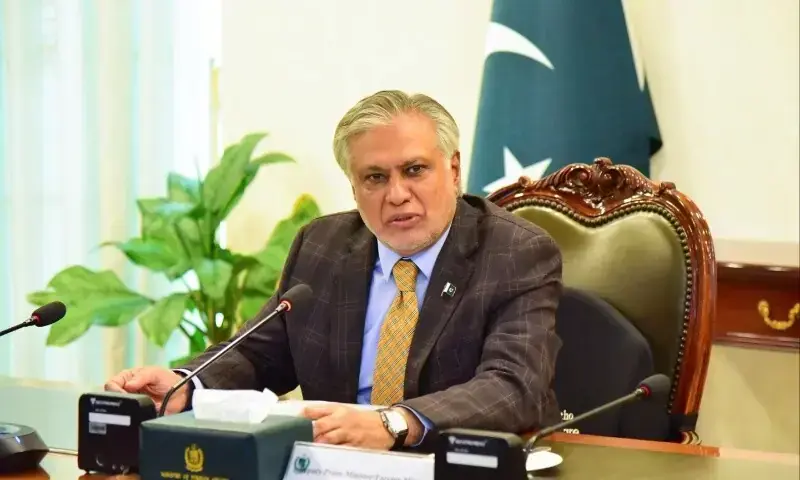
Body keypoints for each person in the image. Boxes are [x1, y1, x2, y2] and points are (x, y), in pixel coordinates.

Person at [106, 90, 563, 451]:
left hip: (455, 465)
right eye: (375, 177)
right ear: (353, 186)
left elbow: (512, 386)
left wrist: (393, 423)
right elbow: (260, 355)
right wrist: (186, 385)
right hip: (335, 465)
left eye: (414, 170)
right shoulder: (322, 246)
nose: (397, 194)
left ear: (454, 169)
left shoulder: (513, 252)